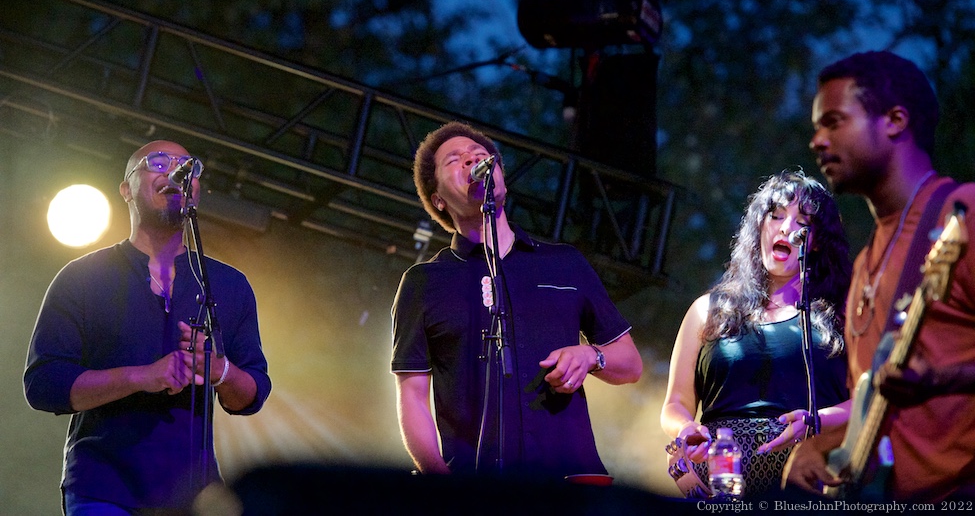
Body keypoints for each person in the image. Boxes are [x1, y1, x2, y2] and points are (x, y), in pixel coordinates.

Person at [24, 140, 272, 514]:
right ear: (127, 188)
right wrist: (143, 377)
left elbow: (252, 394)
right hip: (104, 489)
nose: (174, 170)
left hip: (197, 497)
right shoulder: (82, 277)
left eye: (187, 166)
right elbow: (44, 385)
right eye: (157, 162)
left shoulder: (227, 284)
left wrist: (219, 370)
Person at [390, 121, 643, 480]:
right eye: (455, 160)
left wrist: (591, 355)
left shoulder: (564, 262)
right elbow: (412, 396)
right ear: (438, 199)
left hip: (570, 482)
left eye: (480, 156)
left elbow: (630, 364)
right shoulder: (423, 283)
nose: (472, 161)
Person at [784, 50, 975, 502]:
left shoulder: (962, 216)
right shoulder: (866, 262)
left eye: (833, 121)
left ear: (893, 120)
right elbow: (874, 409)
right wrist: (820, 446)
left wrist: (946, 380)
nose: (816, 140)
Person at [660, 170, 852, 498]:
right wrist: (686, 430)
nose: (786, 228)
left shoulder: (843, 318)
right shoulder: (708, 310)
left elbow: (870, 400)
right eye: (775, 216)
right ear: (759, 227)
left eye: (802, 222)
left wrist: (816, 420)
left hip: (808, 480)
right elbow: (676, 402)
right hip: (720, 481)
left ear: (818, 240)